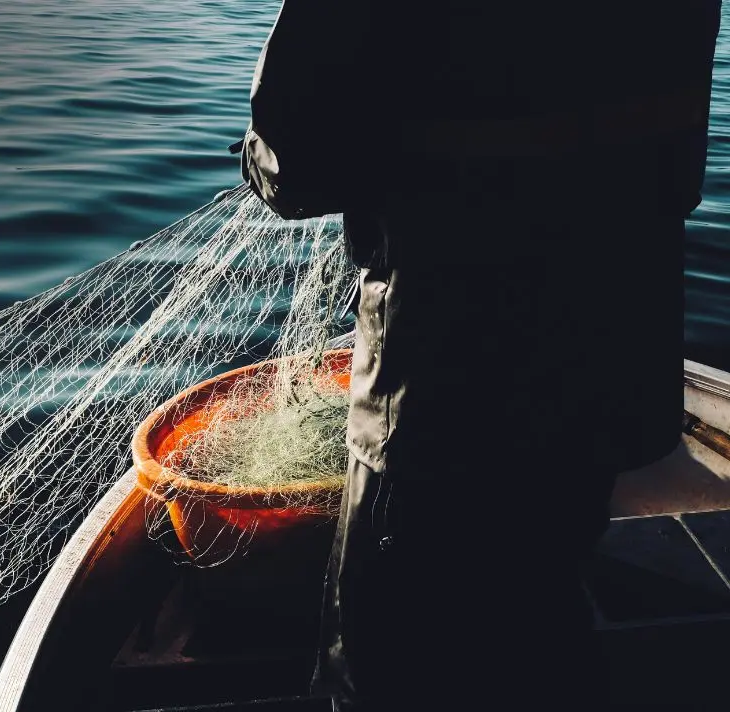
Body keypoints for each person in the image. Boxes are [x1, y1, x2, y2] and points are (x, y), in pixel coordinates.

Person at [239, 2, 722, 709]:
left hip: (441, 381)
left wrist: (256, 158)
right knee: (542, 609)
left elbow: (297, 162)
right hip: (606, 356)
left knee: (392, 657)